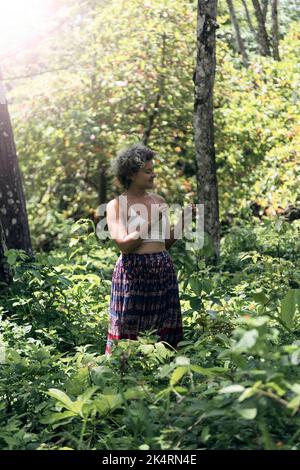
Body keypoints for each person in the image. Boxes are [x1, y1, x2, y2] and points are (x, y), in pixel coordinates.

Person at [104, 143, 195, 356]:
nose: (153, 175)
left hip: (162, 272)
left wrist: (185, 219)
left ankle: (162, 373)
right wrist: (151, 219)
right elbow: (124, 245)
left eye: (153, 170)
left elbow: (165, 242)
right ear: (131, 174)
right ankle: (126, 371)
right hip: (133, 274)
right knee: (130, 329)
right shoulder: (116, 205)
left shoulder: (159, 201)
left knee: (162, 330)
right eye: (147, 171)